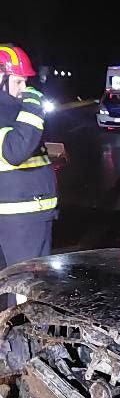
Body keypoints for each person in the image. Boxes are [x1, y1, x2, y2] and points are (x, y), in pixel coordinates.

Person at [0, 44, 57, 276]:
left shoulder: (11, 110)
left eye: (26, 82)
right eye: (18, 82)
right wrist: (34, 106)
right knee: (26, 287)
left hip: (27, 218)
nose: (25, 89)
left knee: (15, 285)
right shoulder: (5, 112)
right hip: (19, 221)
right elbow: (15, 151)